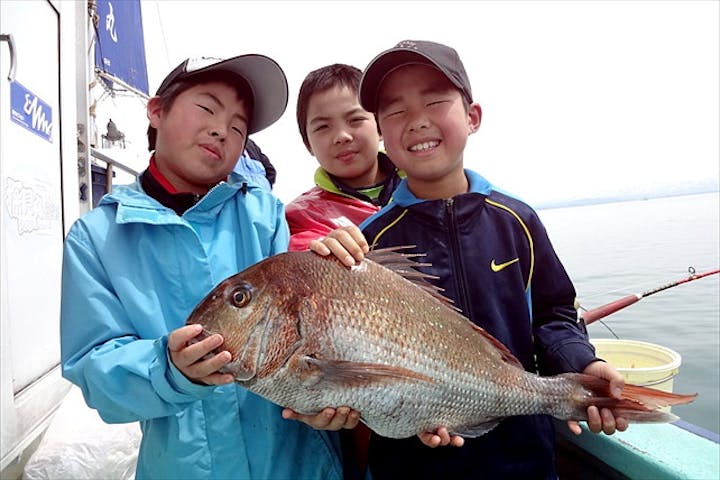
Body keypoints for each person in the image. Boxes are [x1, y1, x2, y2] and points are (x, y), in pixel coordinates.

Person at [311, 40, 628, 479]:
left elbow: (555, 312)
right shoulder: (366, 244)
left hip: (523, 460)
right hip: (411, 465)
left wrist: (582, 364)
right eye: (396, 111)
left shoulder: (517, 220)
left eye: (436, 101)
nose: (417, 121)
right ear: (382, 131)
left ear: (472, 117)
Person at [60, 54, 357, 479]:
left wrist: (323, 402)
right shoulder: (97, 237)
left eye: (238, 126)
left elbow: (310, 333)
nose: (222, 130)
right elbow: (94, 371)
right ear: (156, 111)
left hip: (298, 465)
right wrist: (168, 368)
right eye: (206, 108)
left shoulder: (265, 214)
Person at [285, 63, 403, 251]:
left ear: (380, 125)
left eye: (355, 119)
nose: (342, 136)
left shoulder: (423, 186)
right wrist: (319, 255)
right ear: (308, 144)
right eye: (323, 127)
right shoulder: (299, 218)